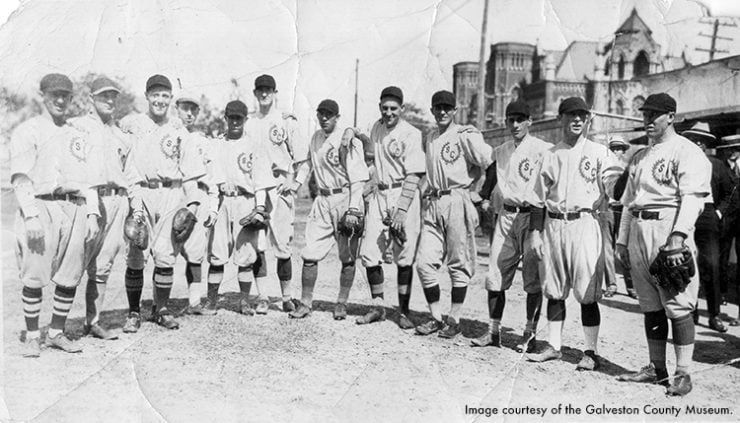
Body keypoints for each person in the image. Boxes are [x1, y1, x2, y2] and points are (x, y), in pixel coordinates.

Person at [616, 93, 711, 396]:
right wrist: (621, 241)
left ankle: (683, 373)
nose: (648, 120)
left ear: (671, 116)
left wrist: (678, 236)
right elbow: (630, 203)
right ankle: (656, 369)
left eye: (655, 115)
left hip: (667, 226)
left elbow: (693, 199)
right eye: (645, 115)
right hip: (639, 228)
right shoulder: (641, 155)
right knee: (650, 304)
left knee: (677, 303)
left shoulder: (687, 151)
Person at [525, 97, 622, 371]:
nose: (577, 120)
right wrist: (535, 233)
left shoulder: (600, 152)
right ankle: (554, 346)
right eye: (571, 115)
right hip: (554, 224)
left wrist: (621, 182)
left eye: (582, 115)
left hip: (585, 223)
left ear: (587, 119)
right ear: (560, 119)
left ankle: (590, 351)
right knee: (554, 289)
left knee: (587, 291)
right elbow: (537, 199)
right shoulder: (550, 154)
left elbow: (615, 184)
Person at [11, 73, 100, 356]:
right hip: (42, 204)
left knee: (70, 272)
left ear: (71, 99)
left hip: (75, 205)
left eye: (65, 96)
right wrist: (31, 215)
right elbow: (21, 177)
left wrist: (93, 213)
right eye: (54, 95)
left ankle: (56, 332)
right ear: (42, 96)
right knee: (35, 273)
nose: (60, 100)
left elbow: (90, 179)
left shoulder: (78, 134)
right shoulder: (29, 130)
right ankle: (33, 335)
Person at [119, 74, 207, 331]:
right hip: (142, 193)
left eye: (164, 95)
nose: (159, 100)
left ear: (170, 99)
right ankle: (134, 312)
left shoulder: (179, 129)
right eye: (155, 94)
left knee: (166, 256)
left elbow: (191, 171)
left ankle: (161, 309)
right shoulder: (132, 124)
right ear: (146, 96)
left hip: (171, 193)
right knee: (137, 252)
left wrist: (192, 205)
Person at [471, 100, 550, 353]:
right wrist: (482, 196)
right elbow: (492, 176)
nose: (515, 124)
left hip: (531, 217)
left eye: (520, 119)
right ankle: (494, 332)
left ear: (530, 121)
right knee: (495, 273)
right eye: (510, 120)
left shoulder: (542, 149)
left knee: (532, 279)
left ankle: (529, 334)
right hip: (506, 216)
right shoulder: (501, 149)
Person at [414, 90, 494, 339]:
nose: (442, 111)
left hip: (458, 199)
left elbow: (490, 164)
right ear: (432, 110)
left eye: (447, 107)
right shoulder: (430, 137)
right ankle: (436, 317)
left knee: (458, 263)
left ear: (454, 110)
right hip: (435, 200)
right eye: (438, 107)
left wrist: (482, 194)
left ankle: (455, 319)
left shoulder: (464, 134)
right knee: (424, 263)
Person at [345, 86, 425, 329]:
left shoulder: (411, 133)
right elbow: (361, 133)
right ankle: (378, 306)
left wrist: (401, 209)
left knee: (404, 254)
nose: (389, 112)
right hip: (381, 192)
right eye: (385, 108)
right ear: (380, 107)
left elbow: (415, 174)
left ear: (401, 108)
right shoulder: (377, 127)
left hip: (403, 193)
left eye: (394, 108)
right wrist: (350, 130)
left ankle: (403, 311)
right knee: (369, 252)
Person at [287, 99, 369, 319]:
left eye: (329, 114)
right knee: (310, 254)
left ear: (337, 117)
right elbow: (307, 164)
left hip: (345, 198)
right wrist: (296, 184)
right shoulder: (316, 138)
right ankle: (305, 303)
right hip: (322, 199)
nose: (324, 118)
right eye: (321, 113)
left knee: (348, 256)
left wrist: (353, 209)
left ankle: (341, 303)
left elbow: (358, 178)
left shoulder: (346, 140)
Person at [69, 76, 135, 340]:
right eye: (103, 96)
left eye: (113, 96)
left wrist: (135, 208)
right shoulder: (78, 127)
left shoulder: (120, 133)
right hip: (89, 200)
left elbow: (130, 174)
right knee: (74, 262)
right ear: (91, 99)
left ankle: (93, 321)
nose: (109, 101)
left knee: (103, 265)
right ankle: (57, 326)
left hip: (117, 201)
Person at [204, 100, 275, 315]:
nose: (234, 122)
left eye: (239, 118)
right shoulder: (217, 144)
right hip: (224, 200)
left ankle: (244, 300)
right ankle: (212, 301)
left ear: (245, 119)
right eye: (231, 117)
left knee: (246, 255)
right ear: (225, 119)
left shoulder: (254, 146)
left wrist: (260, 208)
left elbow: (261, 181)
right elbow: (212, 181)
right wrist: (213, 209)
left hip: (246, 201)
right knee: (217, 254)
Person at [245, 74, 303, 313]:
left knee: (282, 245)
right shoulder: (249, 122)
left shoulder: (286, 121)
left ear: (275, 93)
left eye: (269, 90)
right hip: (255, 189)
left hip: (279, 188)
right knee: (258, 244)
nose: (265, 94)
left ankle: (287, 296)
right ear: (255, 93)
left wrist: (294, 182)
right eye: (260, 90)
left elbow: (302, 159)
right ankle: (261, 296)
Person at [682, 122, 732, 333]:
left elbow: (730, 193)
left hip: (708, 215)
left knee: (711, 264)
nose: (698, 144)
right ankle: (689, 311)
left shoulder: (716, 165)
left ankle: (714, 315)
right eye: (694, 140)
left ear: (707, 144)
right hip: (686, 214)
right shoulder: (682, 162)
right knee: (687, 264)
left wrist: (719, 212)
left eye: (702, 141)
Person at [173, 92, 220, 316]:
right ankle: (158, 304)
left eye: (193, 109)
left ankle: (193, 302)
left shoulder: (202, 140)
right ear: (176, 108)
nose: (189, 113)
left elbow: (211, 177)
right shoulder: (167, 133)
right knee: (164, 250)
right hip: (172, 192)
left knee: (195, 251)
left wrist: (213, 205)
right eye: (185, 108)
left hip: (198, 194)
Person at [601, 135, 637, 299]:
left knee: (624, 247)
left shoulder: (628, 168)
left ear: (624, 151)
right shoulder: (603, 165)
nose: (616, 151)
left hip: (623, 210)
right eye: (613, 148)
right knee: (607, 248)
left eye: (619, 148)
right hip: (607, 210)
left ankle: (631, 285)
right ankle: (611, 284)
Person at [718, 135, 740, 326]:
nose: (732, 151)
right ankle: (721, 294)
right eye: (730, 148)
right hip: (725, 219)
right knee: (721, 258)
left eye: (736, 148)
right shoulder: (719, 167)